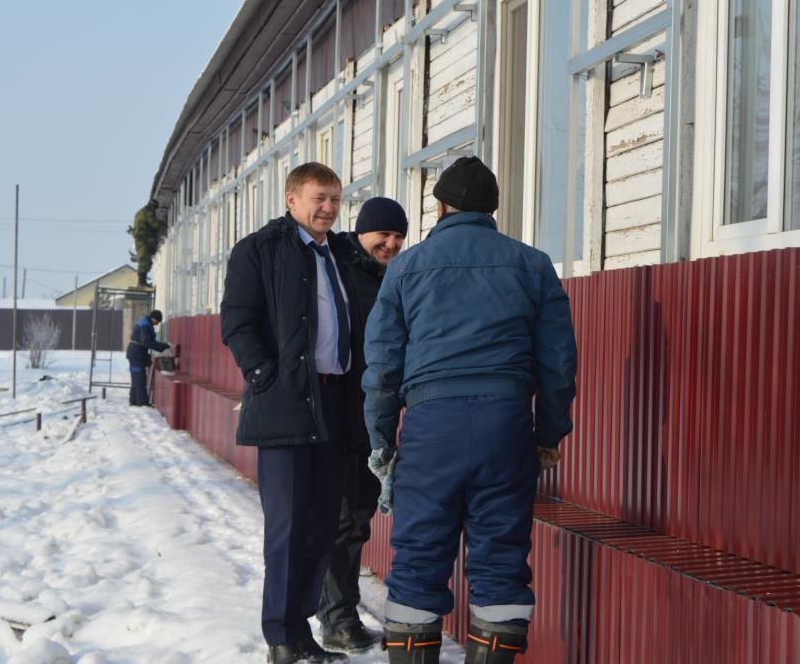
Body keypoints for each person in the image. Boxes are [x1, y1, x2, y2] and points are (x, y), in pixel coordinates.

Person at [362, 157, 577, 664]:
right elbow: (558, 362)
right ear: (491, 210)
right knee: (500, 559)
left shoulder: (405, 269)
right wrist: (548, 434)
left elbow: (383, 366)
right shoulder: (533, 265)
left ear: (440, 207)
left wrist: (382, 442)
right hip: (505, 426)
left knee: (418, 558)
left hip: (430, 428)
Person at [221, 162, 359, 664]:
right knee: (288, 527)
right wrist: (265, 375)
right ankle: (280, 636)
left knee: (322, 526)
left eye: (335, 199)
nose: (329, 208)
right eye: (319, 198)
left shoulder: (339, 254)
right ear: (291, 199)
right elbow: (237, 322)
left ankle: (301, 632)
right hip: (284, 403)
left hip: (334, 404)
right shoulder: (259, 249)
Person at [317, 197, 408, 654]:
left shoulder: (392, 276)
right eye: (382, 235)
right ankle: (337, 619)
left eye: (398, 237)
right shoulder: (339, 269)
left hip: (372, 418)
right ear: (361, 231)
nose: (390, 243)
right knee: (342, 520)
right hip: (338, 413)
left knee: (357, 518)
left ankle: (339, 614)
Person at [126, 309, 169, 407]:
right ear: (154, 318)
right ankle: (142, 404)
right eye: (157, 321)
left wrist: (146, 358)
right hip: (136, 354)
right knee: (140, 379)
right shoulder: (145, 325)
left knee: (136, 379)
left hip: (136, 353)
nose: (157, 324)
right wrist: (161, 346)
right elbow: (146, 342)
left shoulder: (145, 323)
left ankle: (134, 402)